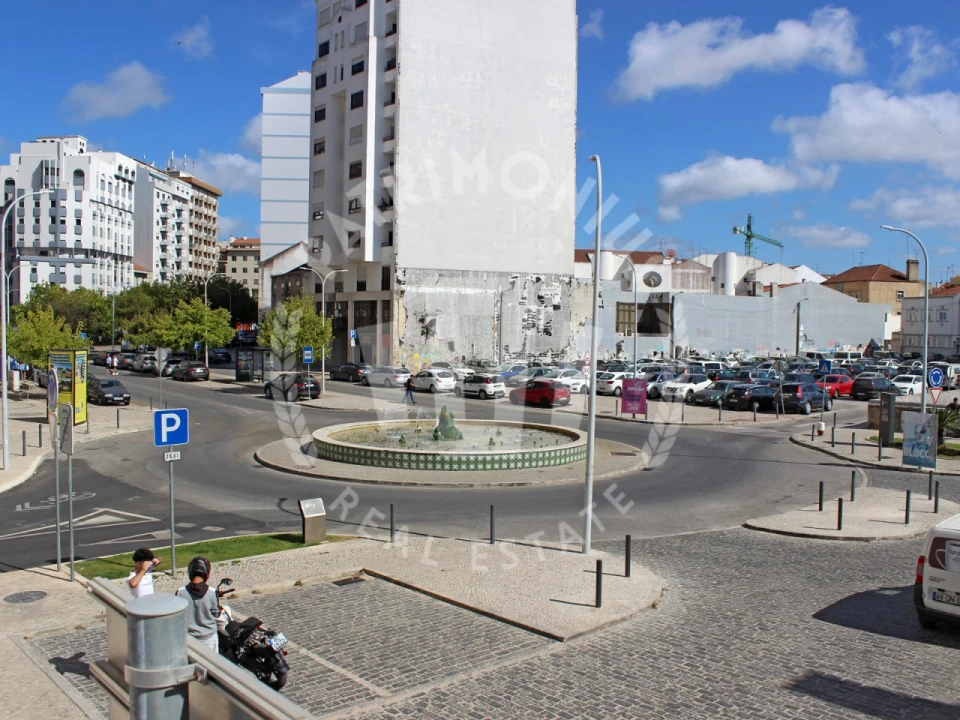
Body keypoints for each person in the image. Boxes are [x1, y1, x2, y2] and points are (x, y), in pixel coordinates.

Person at [176, 556, 220, 651]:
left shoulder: (180, 593)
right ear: (206, 573)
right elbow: (216, 614)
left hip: (189, 638)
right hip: (209, 638)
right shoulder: (212, 592)